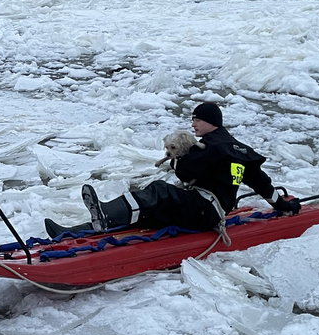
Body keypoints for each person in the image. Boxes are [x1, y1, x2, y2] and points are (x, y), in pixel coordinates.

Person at [44, 102, 300, 238]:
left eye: (197, 119)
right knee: (147, 210)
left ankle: (102, 215)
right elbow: (261, 183)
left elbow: (185, 174)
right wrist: (284, 206)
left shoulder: (211, 147)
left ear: (211, 122)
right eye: (193, 119)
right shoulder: (238, 150)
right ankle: (74, 232)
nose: (193, 123)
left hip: (205, 210)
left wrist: (178, 159)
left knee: (158, 192)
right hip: (206, 209)